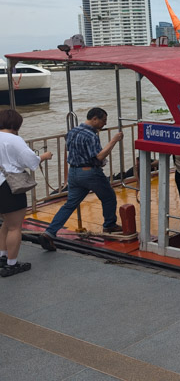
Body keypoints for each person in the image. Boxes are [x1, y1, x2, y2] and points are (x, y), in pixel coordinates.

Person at [39, 107, 123, 251]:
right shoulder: (91, 136)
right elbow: (99, 156)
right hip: (90, 172)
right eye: (103, 121)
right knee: (108, 197)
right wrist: (113, 141)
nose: (104, 124)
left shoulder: (72, 131)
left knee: (70, 204)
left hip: (74, 172)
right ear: (95, 119)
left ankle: (50, 232)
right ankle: (109, 225)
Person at [0, 109, 53, 277]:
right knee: (15, 226)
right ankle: (11, 264)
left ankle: (2, 256)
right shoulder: (14, 140)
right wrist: (44, 156)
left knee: (5, 224)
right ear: (16, 124)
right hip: (8, 186)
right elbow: (31, 161)